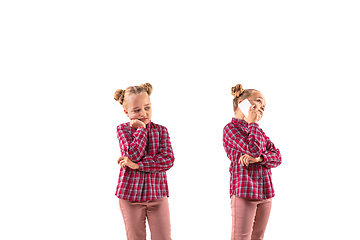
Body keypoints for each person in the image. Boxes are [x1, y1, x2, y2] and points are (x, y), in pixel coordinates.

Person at [114, 83, 174, 240]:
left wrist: (137, 165)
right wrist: (141, 130)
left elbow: (168, 160)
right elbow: (133, 154)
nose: (143, 114)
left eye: (147, 108)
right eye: (137, 110)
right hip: (130, 196)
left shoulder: (162, 131)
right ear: (127, 112)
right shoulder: (123, 129)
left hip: (157, 195)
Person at [223, 84, 282, 240]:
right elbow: (254, 149)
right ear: (243, 103)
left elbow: (277, 156)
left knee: (258, 237)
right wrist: (253, 123)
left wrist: (261, 159)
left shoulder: (259, 132)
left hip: (265, 192)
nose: (262, 107)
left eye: (264, 106)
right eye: (258, 101)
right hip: (245, 192)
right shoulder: (230, 129)